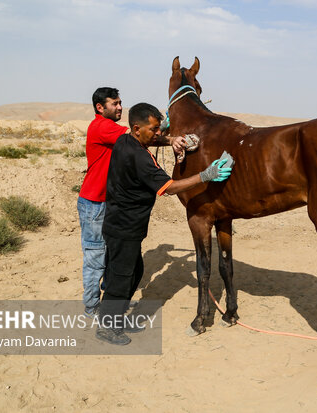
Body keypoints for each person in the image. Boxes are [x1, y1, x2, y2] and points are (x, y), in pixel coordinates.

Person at [95, 102, 232, 345]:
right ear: (137, 128)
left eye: (160, 127)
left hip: (127, 225)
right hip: (123, 227)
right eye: (155, 128)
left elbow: (151, 140)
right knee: (121, 277)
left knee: (134, 272)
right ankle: (107, 326)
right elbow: (169, 187)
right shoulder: (138, 157)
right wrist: (205, 175)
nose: (158, 132)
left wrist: (171, 140)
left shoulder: (127, 140)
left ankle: (115, 318)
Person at [77, 88, 186, 318]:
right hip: (95, 201)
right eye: (114, 104)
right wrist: (168, 136)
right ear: (100, 107)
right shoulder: (102, 127)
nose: (119, 107)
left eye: (120, 103)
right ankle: (93, 307)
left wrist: (166, 136)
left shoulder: (119, 134)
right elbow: (138, 134)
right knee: (96, 257)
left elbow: (143, 136)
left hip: (111, 200)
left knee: (111, 258)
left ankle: (109, 304)